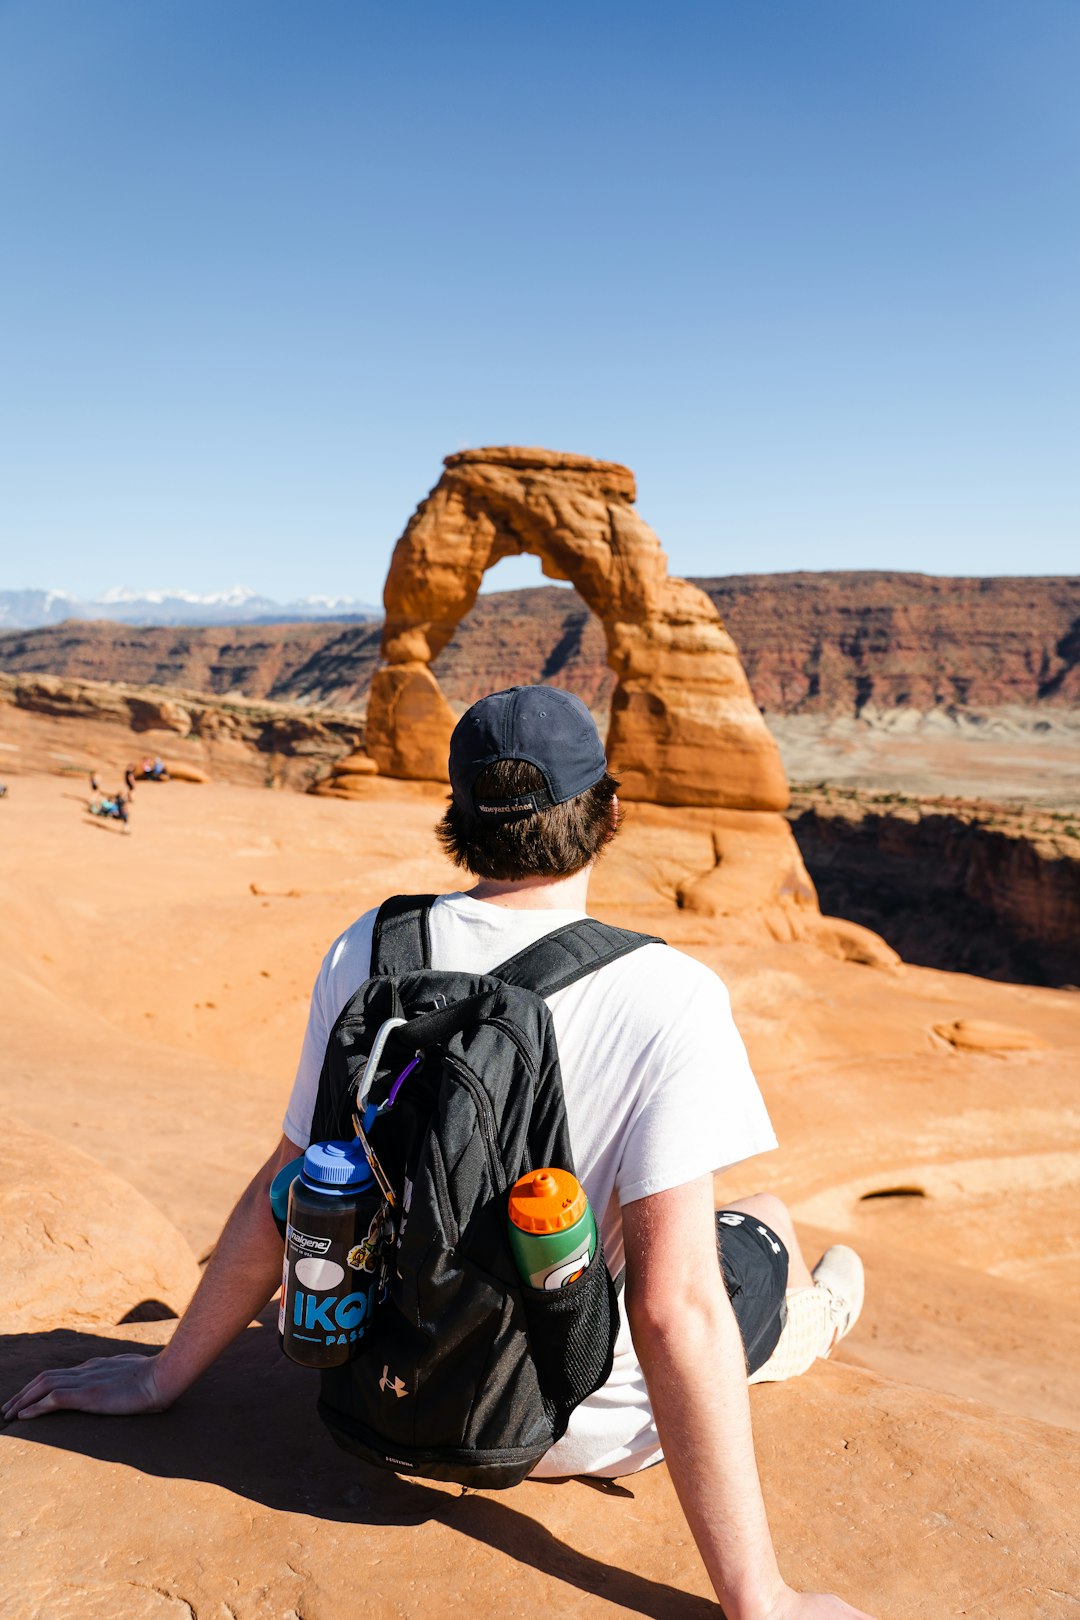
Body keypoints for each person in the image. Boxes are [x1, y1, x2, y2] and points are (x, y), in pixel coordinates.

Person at [4, 685, 874, 1620]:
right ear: (609, 811)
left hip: (374, 1398)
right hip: (570, 1428)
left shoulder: (369, 949)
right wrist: (760, 1598)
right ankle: (807, 1322)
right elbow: (674, 1307)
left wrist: (161, 1374)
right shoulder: (668, 993)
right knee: (765, 1223)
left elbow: (291, 1183)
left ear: (455, 817)